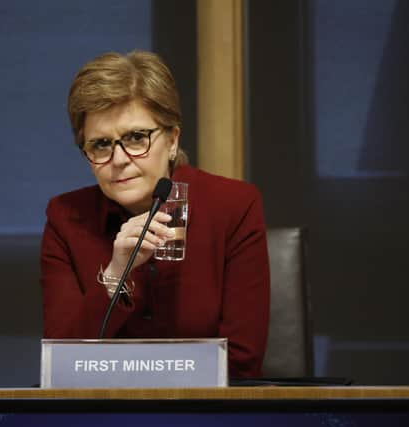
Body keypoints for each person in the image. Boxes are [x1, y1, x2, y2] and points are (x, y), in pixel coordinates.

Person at [40, 50, 270, 378]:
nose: (118, 159)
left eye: (136, 138)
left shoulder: (233, 207)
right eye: (101, 144)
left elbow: (241, 362)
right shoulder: (65, 218)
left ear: (172, 139)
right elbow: (61, 366)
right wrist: (116, 275)